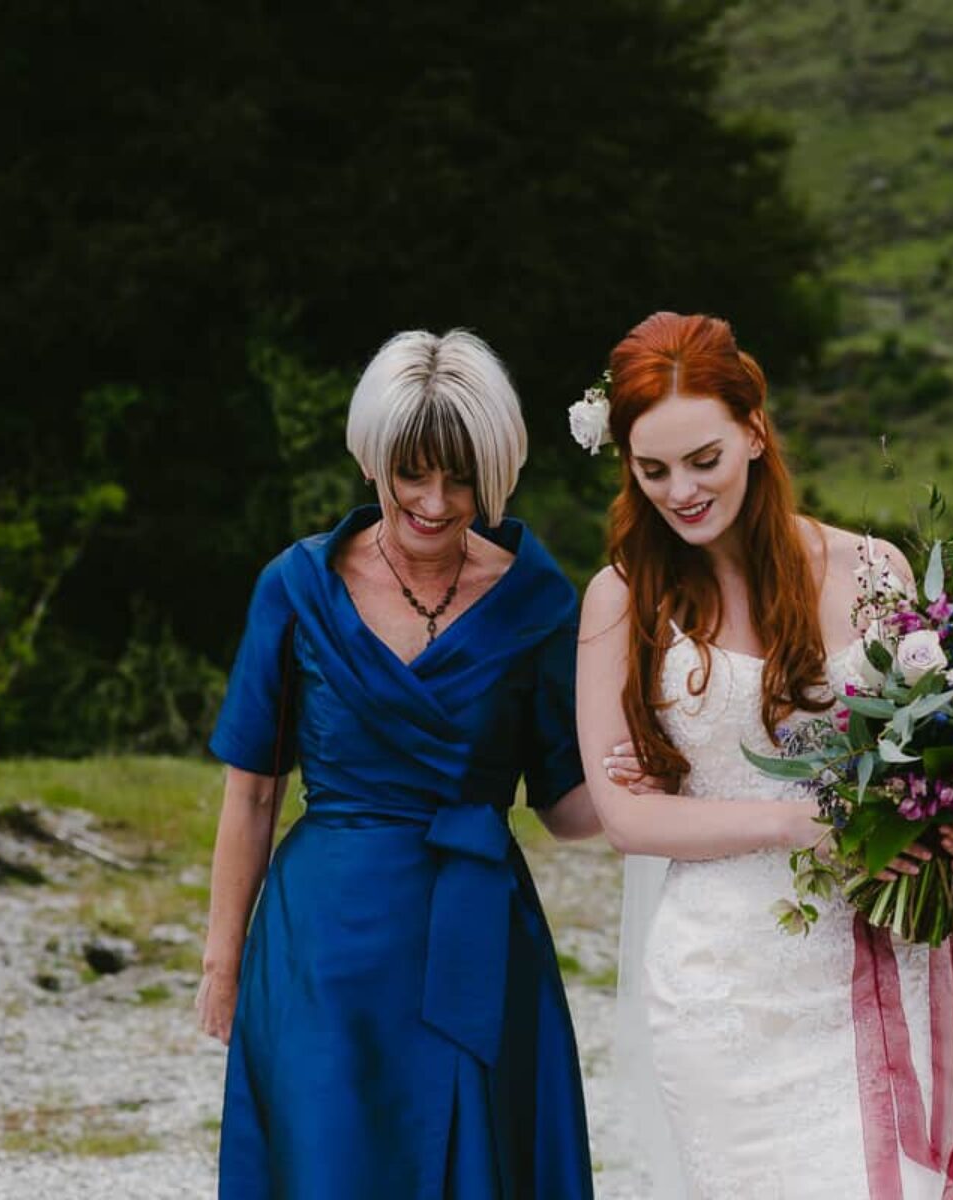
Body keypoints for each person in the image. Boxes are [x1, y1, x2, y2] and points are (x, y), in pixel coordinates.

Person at [576, 312, 953, 1198]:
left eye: (703, 460)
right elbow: (625, 815)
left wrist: (951, 813)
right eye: (653, 470)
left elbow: (931, 753)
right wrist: (811, 820)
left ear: (754, 432)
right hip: (724, 987)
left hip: (874, 950)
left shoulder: (875, 570)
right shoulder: (620, 598)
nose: (680, 490)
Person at [195, 329, 601, 1198]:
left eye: (460, 477)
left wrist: (687, 769)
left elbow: (566, 804)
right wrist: (222, 967)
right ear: (373, 459)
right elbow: (254, 793)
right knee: (327, 1165)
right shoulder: (296, 587)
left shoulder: (538, 600)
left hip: (480, 939)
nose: (435, 499)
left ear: (494, 472)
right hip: (322, 945)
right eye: (412, 472)